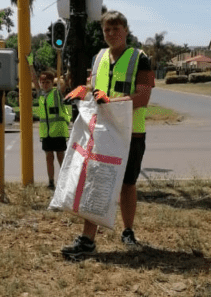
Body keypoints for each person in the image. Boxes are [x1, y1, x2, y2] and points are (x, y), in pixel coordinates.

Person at [61, 10, 155, 256]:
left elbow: (143, 97)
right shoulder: (99, 57)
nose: (112, 34)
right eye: (107, 30)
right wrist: (83, 89)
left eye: (116, 29)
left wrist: (110, 101)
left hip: (131, 133)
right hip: (102, 131)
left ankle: (128, 231)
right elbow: (94, 86)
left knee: (128, 184)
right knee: (96, 181)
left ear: (126, 30)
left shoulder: (140, 59)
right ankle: (88, 240)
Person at [31, 68, 70, 189]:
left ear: (51, 82)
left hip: (58, 132)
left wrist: (67, 70)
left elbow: (66, 81)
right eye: (42, 82)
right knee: (49, 157)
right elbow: (34, 79)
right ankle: (51, 181)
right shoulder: (40, 94)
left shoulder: (57, 93)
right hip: (46, 133)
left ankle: (65, 181)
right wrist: (31, 64)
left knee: (60, 156)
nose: (44, 85)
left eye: (47, 82)